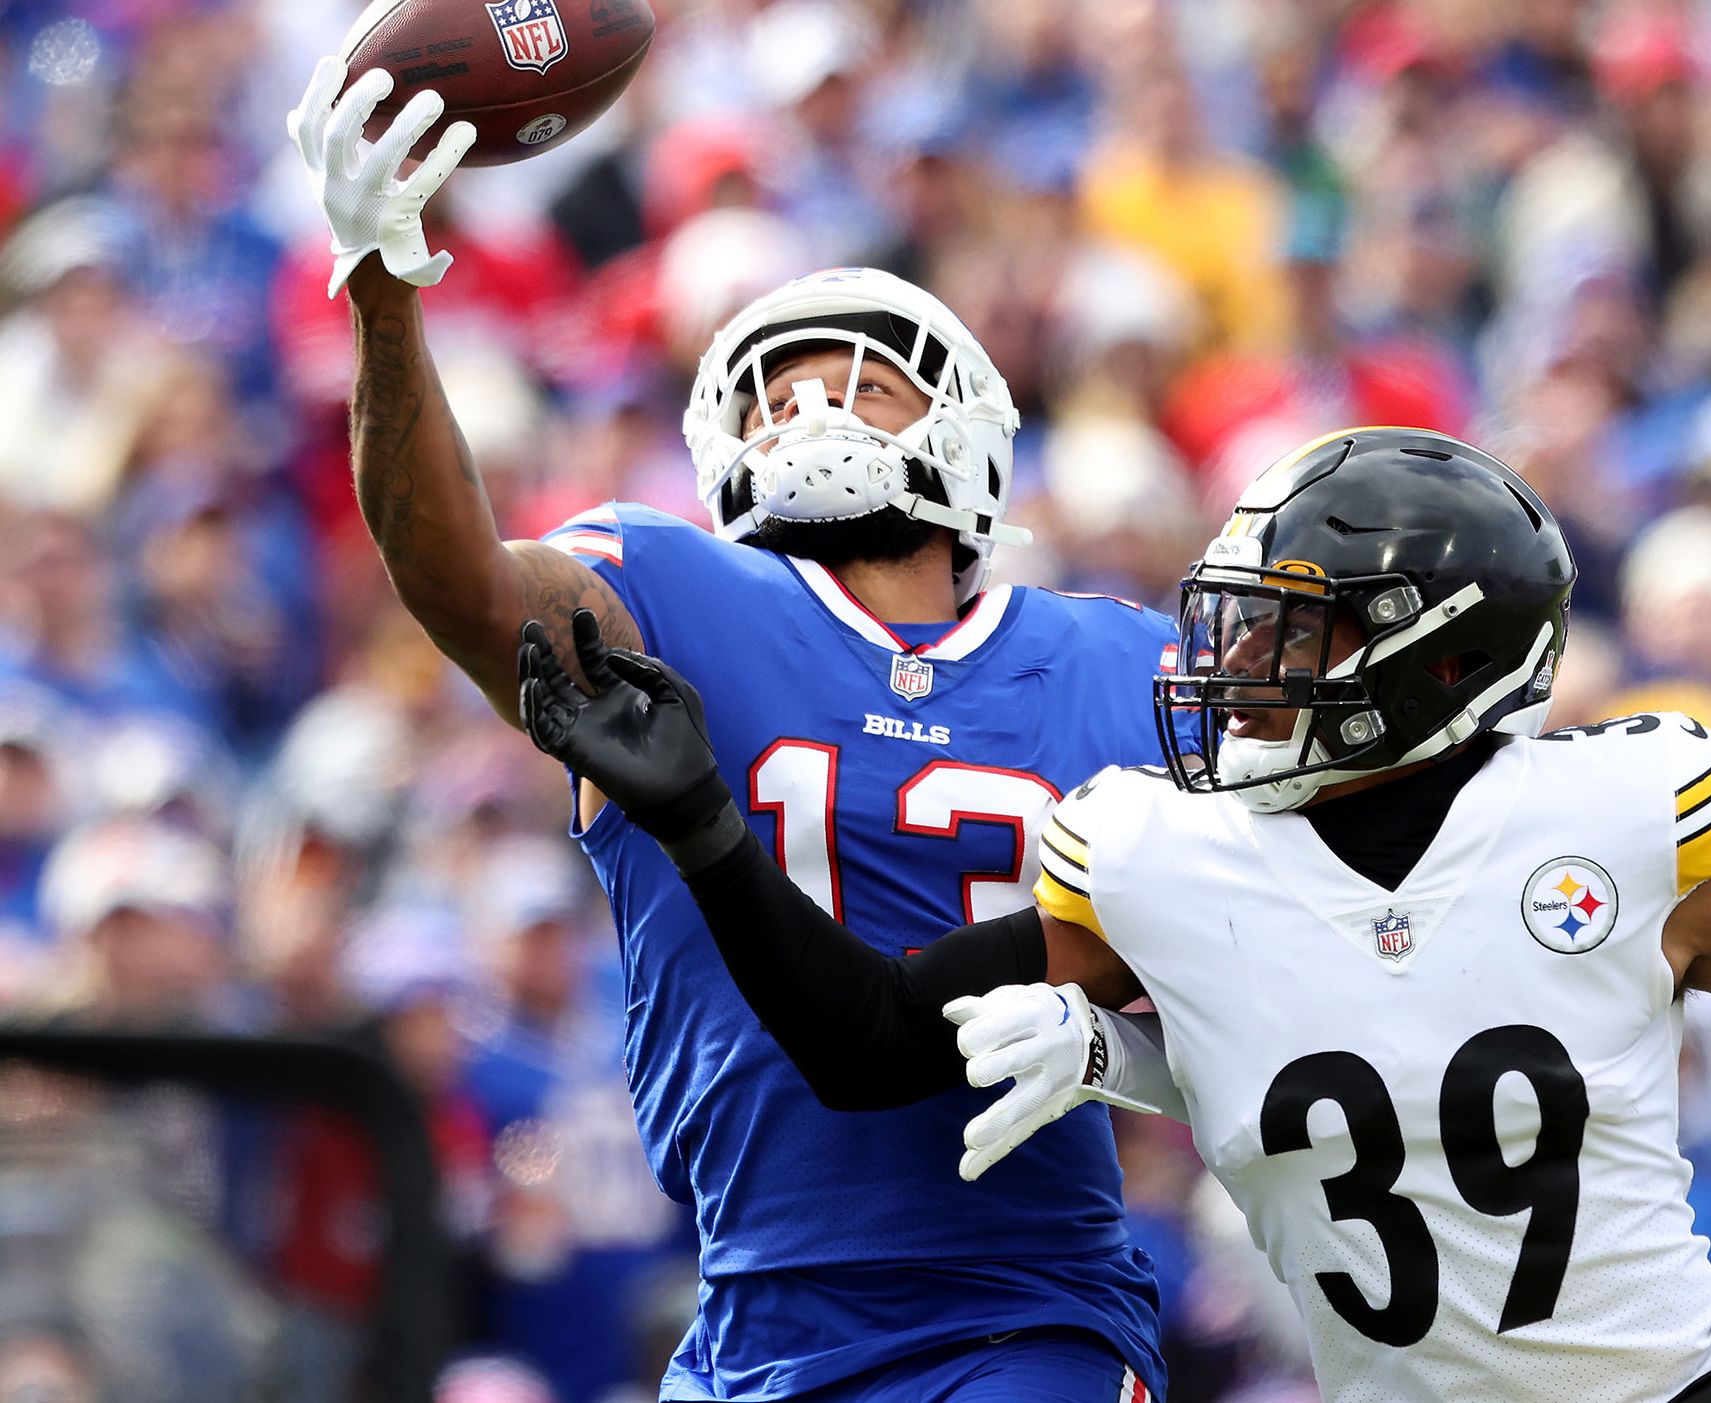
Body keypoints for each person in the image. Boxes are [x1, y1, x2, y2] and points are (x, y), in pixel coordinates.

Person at [521, 427, 1711, 1403]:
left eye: (1288, 635)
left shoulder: (1611, 815)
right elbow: (862, 1054)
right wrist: (698, 828)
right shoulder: (1158, 858)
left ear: (1430, 657)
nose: (1232, 672)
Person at [283, 61, 1169, 1402]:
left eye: (862, 385)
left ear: (971, 436)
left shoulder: (1119, 658)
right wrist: (384, 292)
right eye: (771, 393)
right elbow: (452, 577)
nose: (808, 411)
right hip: (750, 1307)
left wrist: (1126, 1054)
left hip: (1025, 1301)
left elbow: (1273, 954)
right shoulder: (671, 592)